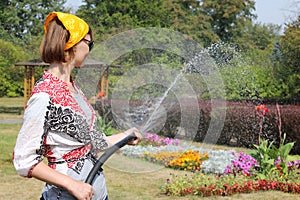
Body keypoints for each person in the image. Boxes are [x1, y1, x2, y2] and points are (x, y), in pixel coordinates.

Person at [13, 12, 142, 200]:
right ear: (71, 43)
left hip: (96, 192)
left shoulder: (73, 88)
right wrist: (72, 185)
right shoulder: (44, 96)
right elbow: (23, 159)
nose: (90, 49)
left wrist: (124, 136)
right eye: (89, 43)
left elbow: (87, 142)